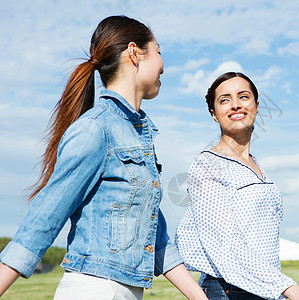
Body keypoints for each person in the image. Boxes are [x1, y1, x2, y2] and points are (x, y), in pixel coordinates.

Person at [0, 15, 207, 300]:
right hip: (97, 289)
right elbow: (44, 219)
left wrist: (200, 297)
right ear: (134, 53)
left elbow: (154, 236)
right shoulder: (96, 129)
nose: (163, 64)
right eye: (158, 51)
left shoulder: (138, 136)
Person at [175, 72, 299, 300]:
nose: (235, 105)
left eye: (243, 97)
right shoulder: (208, 166)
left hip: (264, 289)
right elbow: (226, 244)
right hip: (228, 291)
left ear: (256, 105)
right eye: (224, 100)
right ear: (214, 114)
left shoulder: (256, 165)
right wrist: (295, 291)